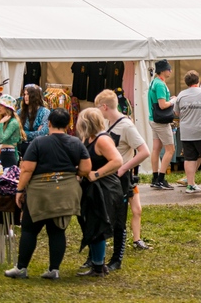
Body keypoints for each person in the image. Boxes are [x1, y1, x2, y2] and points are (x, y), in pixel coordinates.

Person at [5, 108, 91, 280]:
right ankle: (54, 270)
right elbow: (86, 169)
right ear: (67, 125)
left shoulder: (38, 143)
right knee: (57, 231)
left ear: (49, 123)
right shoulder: (76, 143)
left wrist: (20, 190)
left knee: (30, 229)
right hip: (66, 192)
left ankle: (22, 268)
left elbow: (27, 169)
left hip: (40, 191)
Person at [94, 89, 152, 267]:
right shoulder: (105, 123)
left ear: (105, 106)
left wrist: (123, 168)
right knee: (102, 216)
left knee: (119, 218)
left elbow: (144, 152)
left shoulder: (126, 126)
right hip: (106, 174)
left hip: (120, 176)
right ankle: (96, 258)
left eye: (98, 108)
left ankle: (116, 259)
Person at [75, 107, 123, 277]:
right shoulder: (88, 138)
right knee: (92, 224)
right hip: (93, 187)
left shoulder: (102, 140)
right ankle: (98, 263)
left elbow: (117, 161)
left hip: (105, 188)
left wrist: (96, 174)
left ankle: (98, 266)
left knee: (98, 225)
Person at [148, 59, 175, 190]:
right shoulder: (160, 84)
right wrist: (173, 101)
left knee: (156, 149)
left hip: (153, 119)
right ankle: (161, 179)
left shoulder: (154, 81)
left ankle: (154, 177)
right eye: (169, 69)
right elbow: (162, 105)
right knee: (170, 150)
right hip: (161, 121)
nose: (171, 71)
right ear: (164, 71)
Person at [0, 94, 24, 168]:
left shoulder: (13, 122)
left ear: (8, 108)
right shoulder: (8, 121)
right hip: (5, 153)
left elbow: (1, 139)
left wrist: (1, 123)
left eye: (1, 105)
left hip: (9, 153)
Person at [19, 83, 50, 150]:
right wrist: (36, 132)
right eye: (25, 94)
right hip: (21, 147)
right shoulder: (20, 112)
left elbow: (43, 133)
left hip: (38, 147)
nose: (26, 97)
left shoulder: (45, 112)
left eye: (28, 94)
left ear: (35, 96)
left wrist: (23, 133)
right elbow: (15, 132)